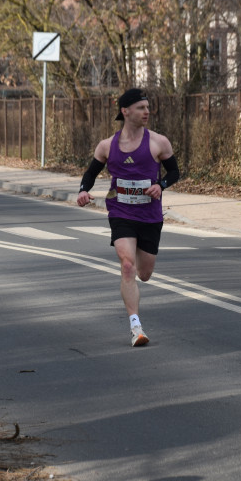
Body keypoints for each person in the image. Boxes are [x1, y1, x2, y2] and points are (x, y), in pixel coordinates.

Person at [76, 88, 179, 346]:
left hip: (150, 215)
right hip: (121, 212)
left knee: (144, 273)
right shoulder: (107, 146)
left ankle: (136, 318)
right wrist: (83, 191)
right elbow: (90, 174)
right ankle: (136, 327)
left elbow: (175, 172)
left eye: (147, 107)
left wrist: (161, 185)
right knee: (127, 266)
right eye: (141, 107)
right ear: (125, 111)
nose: (147, 112)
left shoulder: (158, 142)